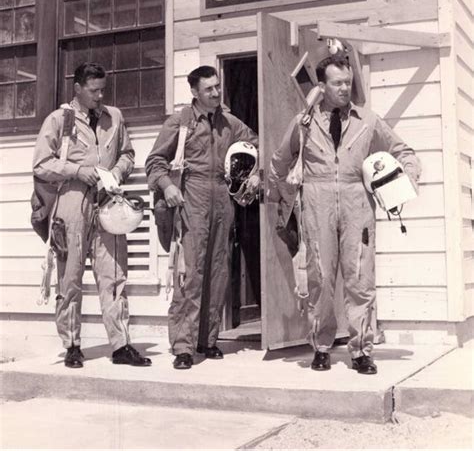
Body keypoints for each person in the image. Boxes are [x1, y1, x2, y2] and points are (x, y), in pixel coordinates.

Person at [268, 52, 421, 375]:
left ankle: (362, 351)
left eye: (348, 83)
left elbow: (403, 151)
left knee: (360, 280)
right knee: (320, 279)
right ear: (322, 87)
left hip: (357, 205)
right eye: (337, 83)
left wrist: (406, 179)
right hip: (317, 205)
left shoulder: (368, 121)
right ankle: (321, 347)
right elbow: (280, 163)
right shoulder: (304, 123)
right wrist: (288, 200)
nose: (344, 89)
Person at [33, 62, 151, 369]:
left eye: (102, 90)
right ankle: (72, 344)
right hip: (71, 203)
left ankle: (121, 345)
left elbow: (127, 153)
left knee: (113, 275)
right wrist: (77, 171)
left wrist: (116, 172)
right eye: (93, 90)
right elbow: (41, 164)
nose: (100, 96)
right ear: (78, 89)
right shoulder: (59, 120)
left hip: (108, 204)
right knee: (69, 277)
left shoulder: (115, 117)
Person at [145, 65, 259, 370]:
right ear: (194, 92)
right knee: (190, 273)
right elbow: (154, 161)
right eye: (209, 89)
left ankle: (207, 340)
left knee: (218, 271)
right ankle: (183, 345)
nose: (216, 92)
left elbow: (256, 145)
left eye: (217, 87)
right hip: (190, 198)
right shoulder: (180, 123)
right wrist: (167, 185)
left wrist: (253, 174)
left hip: (223, 198)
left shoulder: (230, 123)